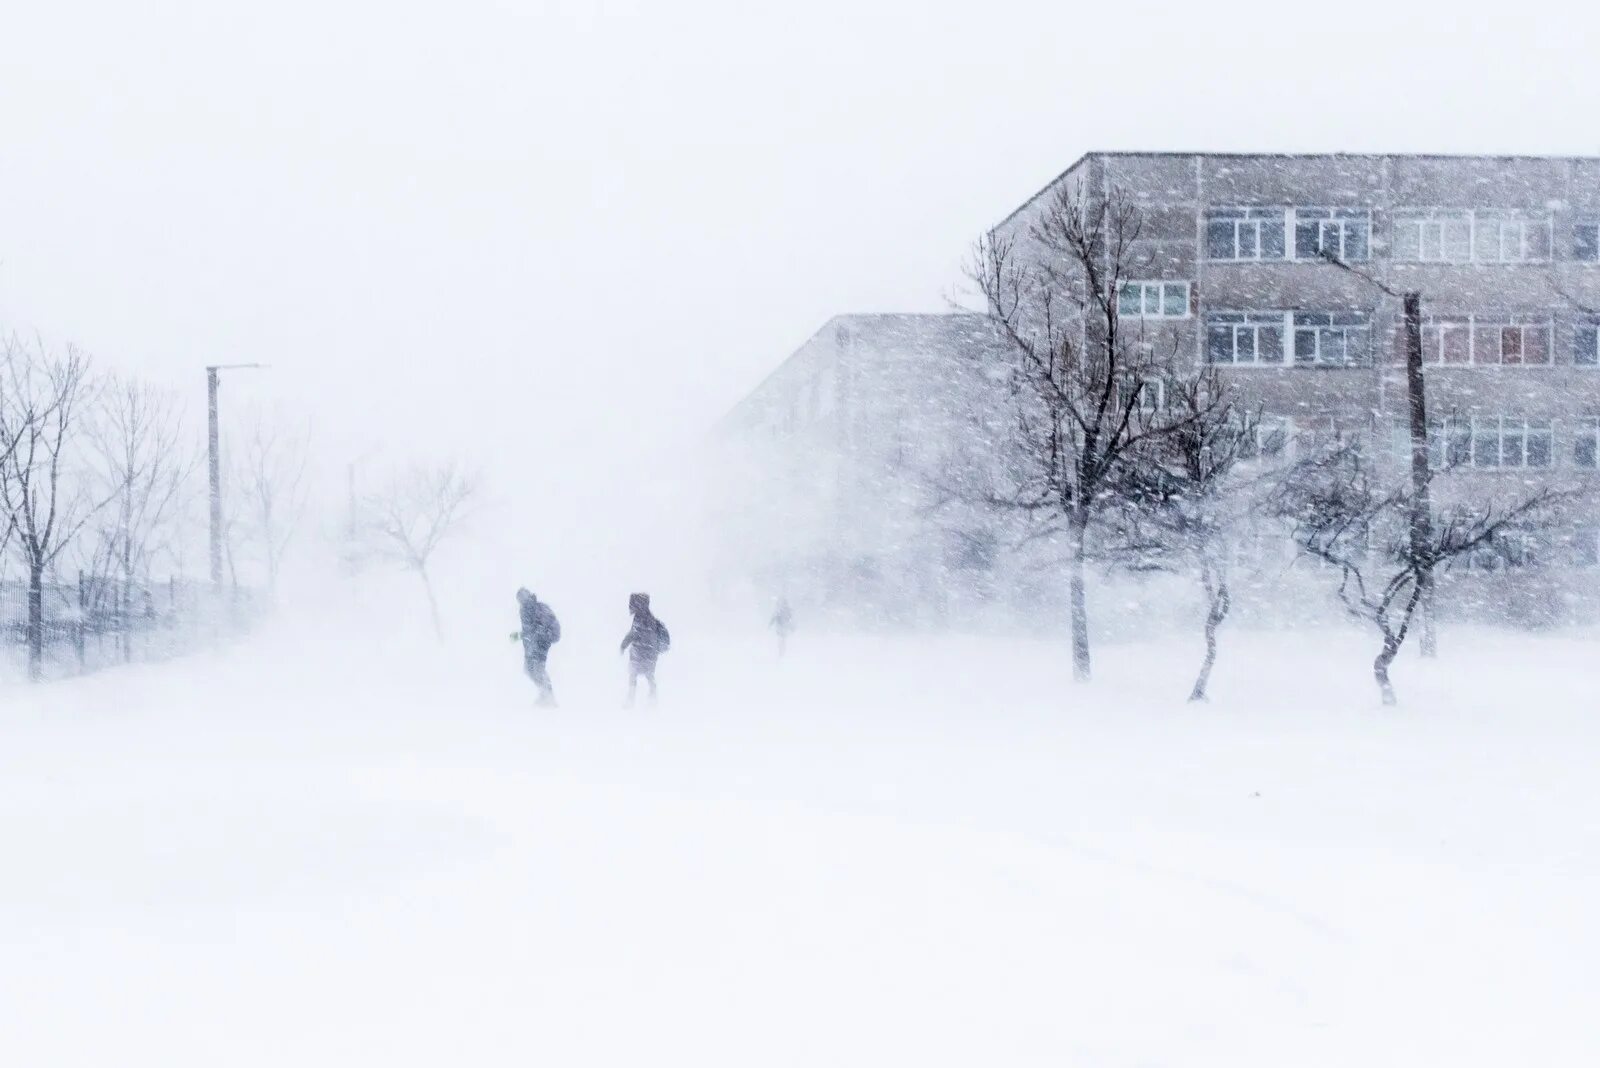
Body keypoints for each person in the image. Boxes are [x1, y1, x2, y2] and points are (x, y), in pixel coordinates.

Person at [511, 588, 561, 706]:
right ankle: (546, 695)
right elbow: (531, 630)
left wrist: (520, 636)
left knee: (535, 668)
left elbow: (532, 630)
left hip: (542, 640)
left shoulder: (528, 608)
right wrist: (522, 636)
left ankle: (548, 697)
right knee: (531, 669)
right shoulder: (532, 606)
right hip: (541, 640)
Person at [618, 592, 670, 705]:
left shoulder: (639, 619)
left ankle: (631, 699)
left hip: (639, 654)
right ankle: (653, 697)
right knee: (649, 675)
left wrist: (623, 645)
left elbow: (633, 634)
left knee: (633, 675)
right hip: (651, 654)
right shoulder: (651, 619)